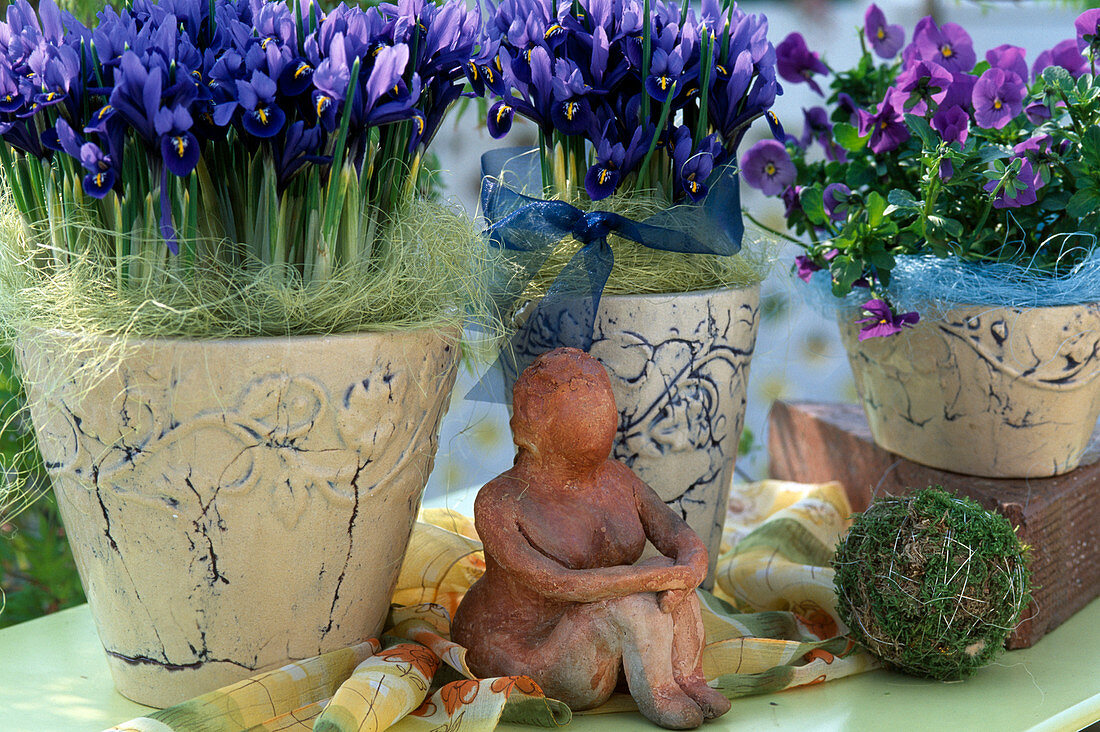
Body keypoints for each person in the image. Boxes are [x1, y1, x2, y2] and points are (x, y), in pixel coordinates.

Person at [451, 348, 731, 729]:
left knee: (672, 586)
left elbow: (678, 534)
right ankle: (660, 690)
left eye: (600, 398)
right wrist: (656, 578)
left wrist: (691, 564)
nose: (600, 417)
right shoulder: (500, 501)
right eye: (580, 404)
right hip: (528, 650)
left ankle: (687, 679)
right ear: (530, 428)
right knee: (633, 604)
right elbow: (559, 583)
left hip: (591, 639)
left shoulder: (617, 478)